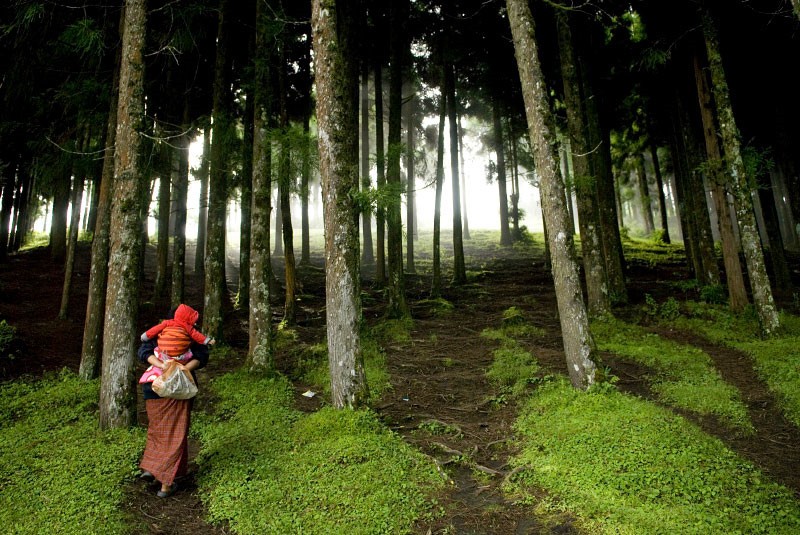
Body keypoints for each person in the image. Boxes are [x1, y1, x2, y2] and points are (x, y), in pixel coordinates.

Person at [137, 306, 210, 498]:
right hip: (179, 388)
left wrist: (162, 365)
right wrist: (182, 368)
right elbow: (202, 355)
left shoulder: (160, 330)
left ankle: (151, 468)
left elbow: (143, 351)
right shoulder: (189, 333)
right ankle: (165, 485)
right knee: (175, 433)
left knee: (157, 431)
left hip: (153, 386)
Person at [138, 303, 213, 384]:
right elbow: (201, 357)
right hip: (183, 384)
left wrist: (161, 365)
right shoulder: (192, 334)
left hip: (155, 381)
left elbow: (144, 352)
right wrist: (182, 370)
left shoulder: (158, 332)